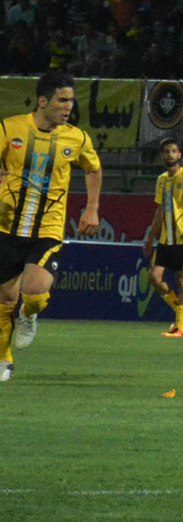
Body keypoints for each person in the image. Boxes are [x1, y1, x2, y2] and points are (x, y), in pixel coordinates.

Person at [0, 71, 102, 382]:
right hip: (6, 227)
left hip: (48, 228)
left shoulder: (77, 138)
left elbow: (93, 169)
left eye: (70, 100)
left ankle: (29, 314)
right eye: (62, 100)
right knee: (5, 297)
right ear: (43, 101)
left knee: (33, 290)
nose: (68, 106)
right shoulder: (10, 128)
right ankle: (4, 360)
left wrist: (92, 209)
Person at [142, 138, 183, 337]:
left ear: (180, 155)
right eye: (166, 152)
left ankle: (179, 326)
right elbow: (160, 210)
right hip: (166, 238)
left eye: (173, 151)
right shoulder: (161, 179)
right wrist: (150, 237)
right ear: (162, 156)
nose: (170, 155)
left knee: (182, 279)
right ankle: (180, 309)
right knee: (154, 277)